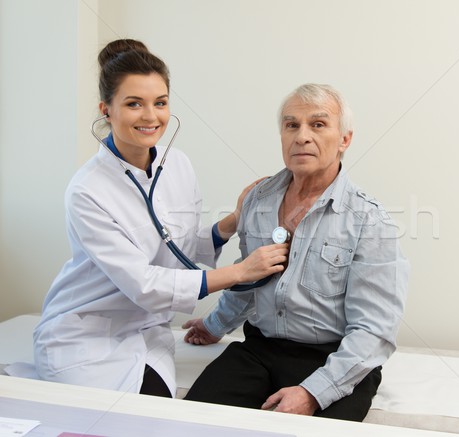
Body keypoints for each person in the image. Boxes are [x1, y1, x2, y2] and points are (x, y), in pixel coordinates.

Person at [32, 39, 287, 398]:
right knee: (123, 420)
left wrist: (232, 220)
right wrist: (240, 272)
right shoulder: (87, 190)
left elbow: (178, 247)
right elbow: (143, 284)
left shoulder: (177, 164)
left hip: (149, 330)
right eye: (134, 103)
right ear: (106, 109)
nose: (151, 116)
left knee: (157, 409)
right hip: (86, 332)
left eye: (160, 103)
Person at [182, 83, 409, 421]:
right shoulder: (257, 199)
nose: (302, 136)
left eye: (318, 124)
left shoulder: (370, 220)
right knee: (190, 424)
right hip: (260, 350)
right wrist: (215, 325)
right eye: (292, 125)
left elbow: (374, 330)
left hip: (332, 358)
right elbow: (249, 281)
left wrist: (313, 392)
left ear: (344, 139)